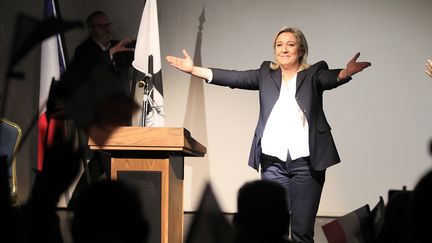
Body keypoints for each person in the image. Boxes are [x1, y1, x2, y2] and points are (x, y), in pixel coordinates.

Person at [166, 26, 371, 243]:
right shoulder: (266, 73)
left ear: (301, 50)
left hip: (307, 165)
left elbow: (330, 79)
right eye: (279, 45)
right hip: (272, 164)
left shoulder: (313, 73)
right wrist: (194, 70)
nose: (284, 50)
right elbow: (234, 78)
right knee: (271, 233)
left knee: (302, 232)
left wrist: (345, 73)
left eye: (290, 45)